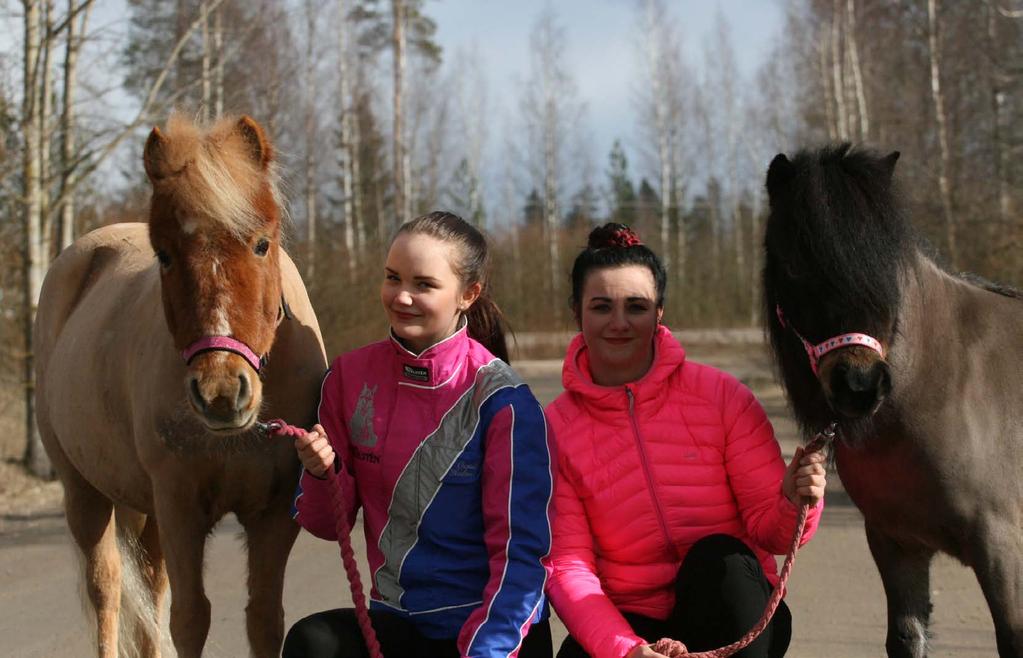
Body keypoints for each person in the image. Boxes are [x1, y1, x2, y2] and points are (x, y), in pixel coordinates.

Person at [544, 223, 827, 658]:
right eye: (601, 307)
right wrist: (626, 649)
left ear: (659, 313)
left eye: (636, 307)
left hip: (728, 606)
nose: (619, 323)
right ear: (576, 312)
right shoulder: (552, 429)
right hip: (629, 618)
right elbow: (569, 566)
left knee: (721, 558)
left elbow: (772, 533)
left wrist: (794, 498)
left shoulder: (722, 397)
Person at [283, 211, 554, 658]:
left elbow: (524, 561)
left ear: (469, 293)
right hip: (397, 625)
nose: (401, 297)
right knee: (314, 644)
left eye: (423, 285)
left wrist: (485, 652)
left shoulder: (505, 401)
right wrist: (320, 472)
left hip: (496, 632)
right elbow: (323, 526)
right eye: (393, 278)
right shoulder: (349, 378)